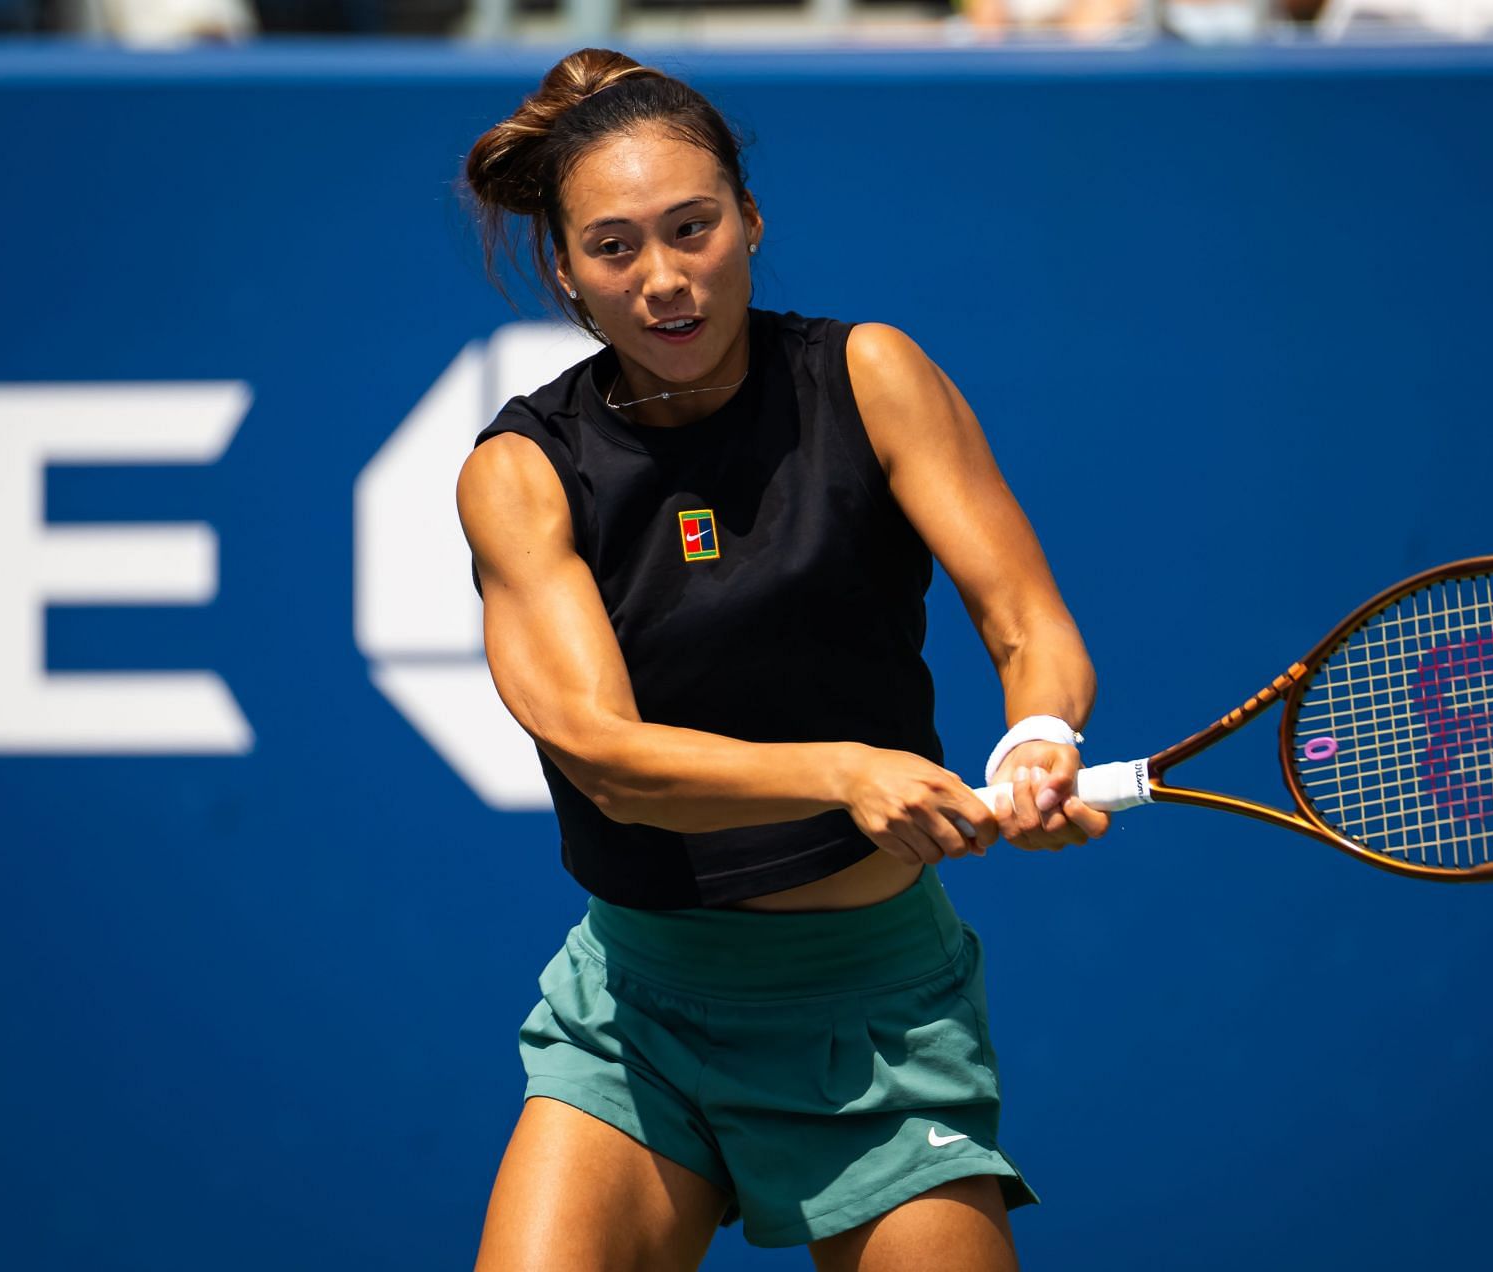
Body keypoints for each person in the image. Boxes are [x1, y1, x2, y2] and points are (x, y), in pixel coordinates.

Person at [456, 48, 1107, 1271]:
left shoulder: (872, 377)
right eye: (614, 249)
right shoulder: (523, 472)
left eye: (692, 228)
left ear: (750, 220)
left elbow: (1028, 624)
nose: (664, 280)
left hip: (880, 1015)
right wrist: (846, 774)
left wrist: (1040, 735)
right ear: (567, 277)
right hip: (640, 1019)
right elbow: (610, 760)